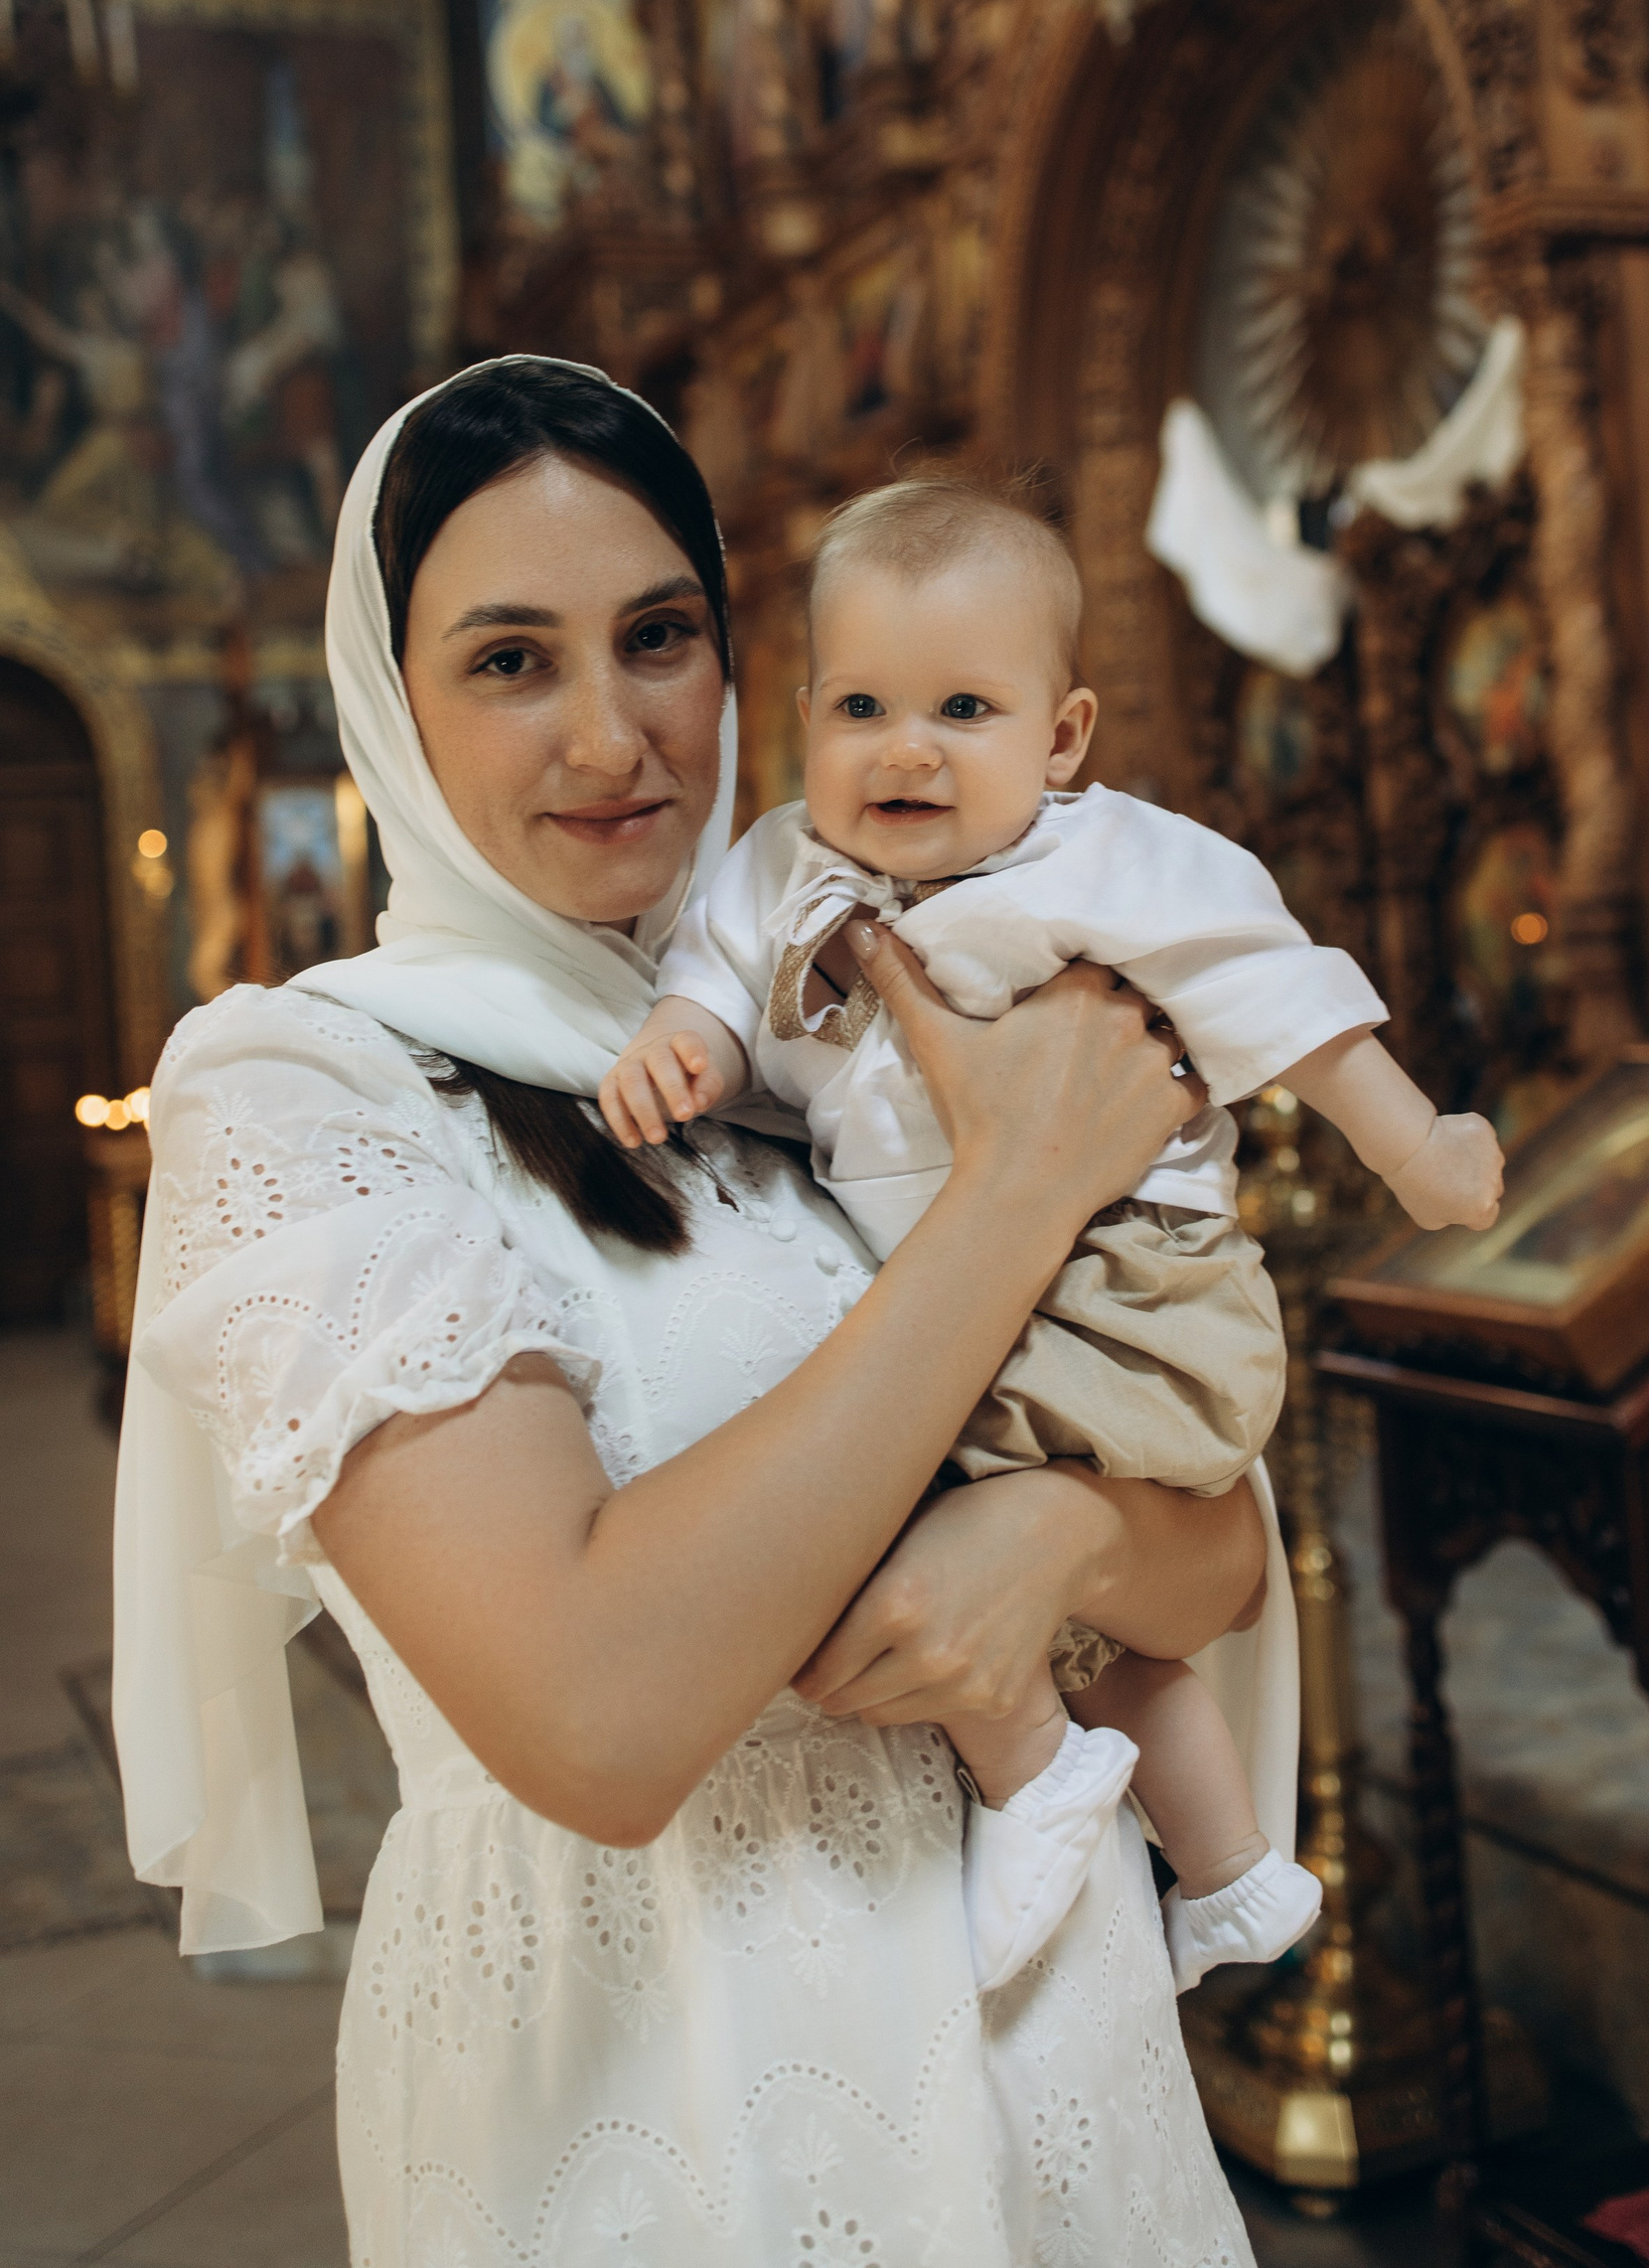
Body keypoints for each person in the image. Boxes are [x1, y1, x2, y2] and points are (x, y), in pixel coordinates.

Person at [112, 355, 1279, 2266]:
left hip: (1050, 2042)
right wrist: (1016, 1190)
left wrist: (1054, 1540)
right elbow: (599, 1715)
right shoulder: (307, 1087)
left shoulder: (834, 1022)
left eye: (660, 638)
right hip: (660, 2064)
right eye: (511, 660)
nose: (613, 737)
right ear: (389, 704)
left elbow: (1221, 1550)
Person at [604, 475, 1504, 1997]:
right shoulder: (780, 868)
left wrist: (1417, 1149)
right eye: (863, 707)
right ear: (805, 718)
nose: (907, 748)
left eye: (964, 708)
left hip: (1121, 1281)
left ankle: (1033, 1771)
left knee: (876, 1512)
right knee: (1083, 1621)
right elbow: (715, 976)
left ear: (1064, 737)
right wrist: (682, 1043)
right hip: (970, 1287)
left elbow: (1275, 993)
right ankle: (1231, 1874)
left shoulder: (1105, 864)